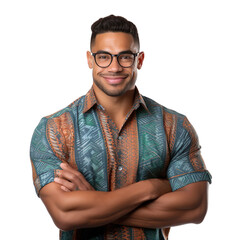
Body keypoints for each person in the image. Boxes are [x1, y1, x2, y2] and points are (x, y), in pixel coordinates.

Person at [30, 15, 212, 240]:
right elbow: (65, 213)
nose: (114, 67)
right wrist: (152, 188)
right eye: (103, 57)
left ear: (140, 60)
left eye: (125, 57)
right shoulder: (54, 130)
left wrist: (94, 202)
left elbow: (194, 208)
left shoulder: (174, 126)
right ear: (90, 60)